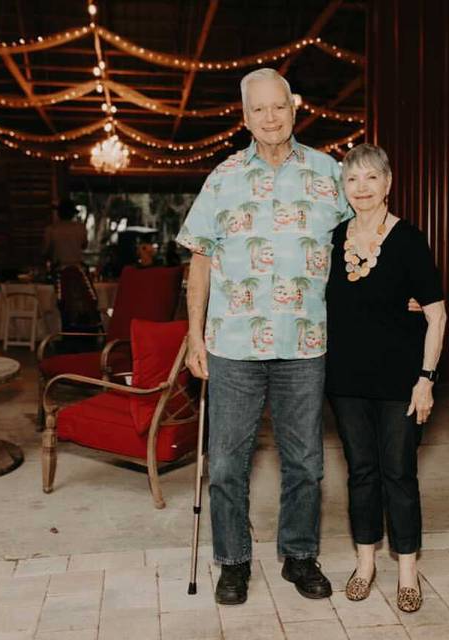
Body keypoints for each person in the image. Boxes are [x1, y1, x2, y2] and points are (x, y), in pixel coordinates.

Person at [176, 68, 350, 605]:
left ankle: (299, 555)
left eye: (279, 107)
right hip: (233, 344)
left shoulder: (330, 173)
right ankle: (232, 561)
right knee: (227, 462)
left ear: (294, 109)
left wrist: (404, 289)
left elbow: (364, 240)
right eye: (259, 110)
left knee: (306, 462)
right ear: (244, 116)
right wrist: (194, 335)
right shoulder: (222, 178)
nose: (270, 118)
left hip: (305, 343)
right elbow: (200, 261)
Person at [325, 143, 446, 613]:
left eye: (371, 178)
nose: (362, 188)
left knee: (399, 472)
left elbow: (437, 316)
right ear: (345, 187)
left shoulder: (411, 241)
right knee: (361, 473)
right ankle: (364, 563)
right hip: (346, 380)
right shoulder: (334, 240)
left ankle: (408, 571)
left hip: (400, 382)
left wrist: (426, 378)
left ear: (388, 184)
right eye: (353, 180)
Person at [43, 199, 88, 267]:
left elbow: (45, 251)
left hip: (58, 268)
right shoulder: (80, 228)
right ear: (73, 214)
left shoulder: (51, 229)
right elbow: (84, 246)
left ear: (59, 213)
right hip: (76, 268)